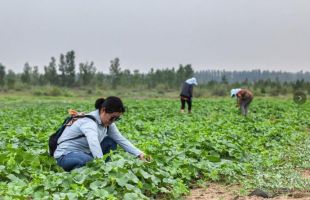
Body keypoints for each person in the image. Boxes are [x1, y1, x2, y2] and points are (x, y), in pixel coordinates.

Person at [54, 96, 146, 171]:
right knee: (87, 161)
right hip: (65, 156)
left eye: (117, 119)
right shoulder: (89, 122)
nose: (113, 121)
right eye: (112, 117)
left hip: (84, 153)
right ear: (103, 110)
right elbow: (93, 143)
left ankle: (99, 170)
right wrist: (102, 166)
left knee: (111, 141)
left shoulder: (108, 123)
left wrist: (139, 154)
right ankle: (79, 175)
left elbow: (121, 139)